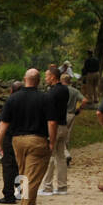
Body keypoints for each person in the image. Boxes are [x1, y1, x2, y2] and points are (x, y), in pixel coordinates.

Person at [0, 69, 51, 205]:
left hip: (17, 141)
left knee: (25, 176)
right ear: (39, 81)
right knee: (32, 179)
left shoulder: (13, 99)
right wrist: (51, 140)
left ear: (25, 79)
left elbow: (3, 123)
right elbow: (51, 122)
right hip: (37, 140)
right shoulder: (44, 98)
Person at [40, 66, 72, 196]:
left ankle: (47, 186)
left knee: (50, 156)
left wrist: (50, 135)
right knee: (61, 157)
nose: (45, 78)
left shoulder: (52, 93)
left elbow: (51, 117)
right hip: (64, 126)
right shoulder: (65, 89)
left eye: (47, 76)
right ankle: (62, 186)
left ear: (53, 77)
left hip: (55, 127)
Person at [0, 80, 23, 205]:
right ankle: (22, 192)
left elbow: (3, 122)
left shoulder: (10, 102)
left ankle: (8, 194)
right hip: (23, 136)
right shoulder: (27, 102)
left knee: (8, 166)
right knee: (22, 166)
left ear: (11, 90)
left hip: (9, 137)